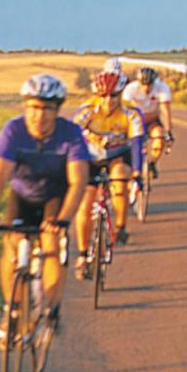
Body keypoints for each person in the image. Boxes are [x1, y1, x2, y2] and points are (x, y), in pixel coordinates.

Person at [0, 73, 90, 339]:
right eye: (34, 108)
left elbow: (78, 181)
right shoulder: (13, 131)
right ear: (25, 107)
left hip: (55, 196)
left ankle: (51, 307)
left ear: (57, 110)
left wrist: (62, 221)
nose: (40, 116)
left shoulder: (70, 134)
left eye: (48, 108)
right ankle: (12, 310)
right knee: (12, 244)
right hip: (23, 195)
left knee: (50, 243)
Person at [74, 64, 143, 247]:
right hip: (91, 156)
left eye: (113, 96)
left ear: (120, 94)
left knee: (120, 179)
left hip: (118, 155)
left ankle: (121, 227)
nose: (108, 101)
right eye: (103, 96)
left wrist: (137, 174)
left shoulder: (131, 112)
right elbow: (72, 138)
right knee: (85, 205)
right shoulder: (87, 110)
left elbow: (136, 143)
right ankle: (82, 254)